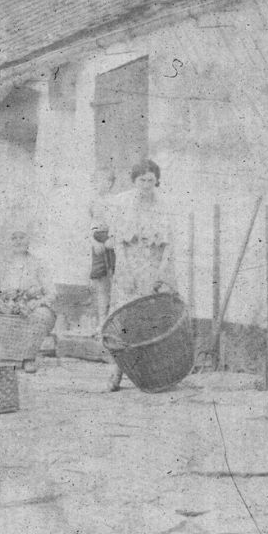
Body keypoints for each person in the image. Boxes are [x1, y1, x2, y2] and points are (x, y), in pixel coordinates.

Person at [96, 158, 179, 391]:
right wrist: (126, 272)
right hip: (129, 265)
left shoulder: (164, 205)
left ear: (156, 181)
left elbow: (170, 244)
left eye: (150, 180)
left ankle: (155, 371)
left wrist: (161, 273)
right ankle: (117, 372)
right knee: (125, 319)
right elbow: (119, 244)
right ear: (134, 181)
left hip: (155, 266)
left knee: (154, 318)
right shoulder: (122, 203)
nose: (146, 184)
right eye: (141, 180)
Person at [0, 226, 56, 371]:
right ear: (9, 242)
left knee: (41, 316)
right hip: (5, 306)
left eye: (22, 237)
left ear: (28, 241)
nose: (18, 241)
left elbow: (52, 293)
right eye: (14, 238)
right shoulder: (2, 263)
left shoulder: (38, 263)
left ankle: (28, 358)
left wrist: (36, 303)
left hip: (29, 307)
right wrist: (2, 305)